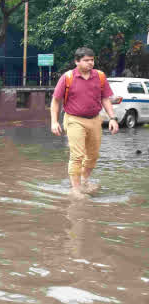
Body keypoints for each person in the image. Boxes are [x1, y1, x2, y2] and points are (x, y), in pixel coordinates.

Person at [51, 47, 119, 198]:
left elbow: (105, 98)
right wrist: (54, 122)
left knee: (93, 155)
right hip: (74, 119)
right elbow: (56, 101)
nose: (90, 63)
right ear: (77, 62)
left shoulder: (100, 76)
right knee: (77, 155)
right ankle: (75, 189)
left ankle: (84, 181)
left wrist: (112, 118)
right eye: (86, 60)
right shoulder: (67, 77)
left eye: (92, 60)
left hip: (95, 119)